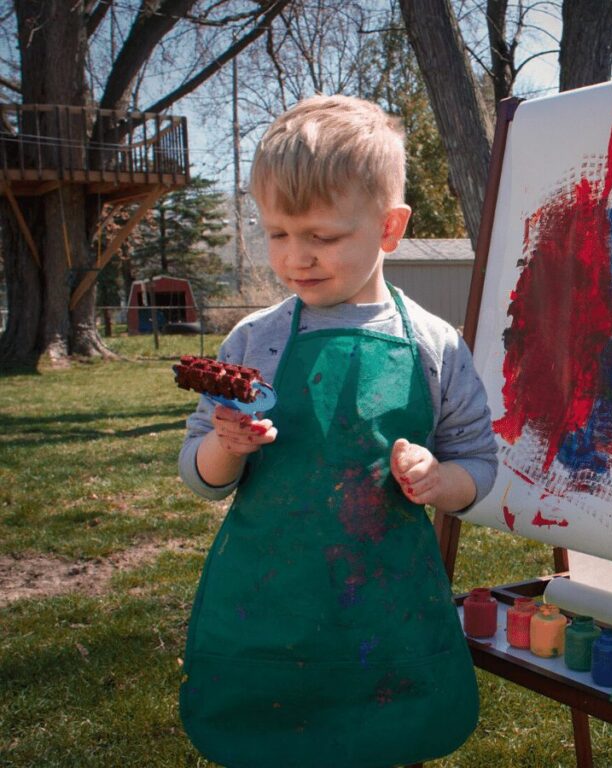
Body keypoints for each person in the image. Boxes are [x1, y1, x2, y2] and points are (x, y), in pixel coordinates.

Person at [176, 94, 497, 768]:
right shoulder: (254, 341)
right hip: (269, 606)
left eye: (322, 237)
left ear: (389, 227)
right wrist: (223, 449)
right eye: (278, 234)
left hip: (386, 611)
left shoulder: (435, 345)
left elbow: (478, 466)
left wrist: (440, 480)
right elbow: (200, 478)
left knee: (385, 742)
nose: (297, 257)